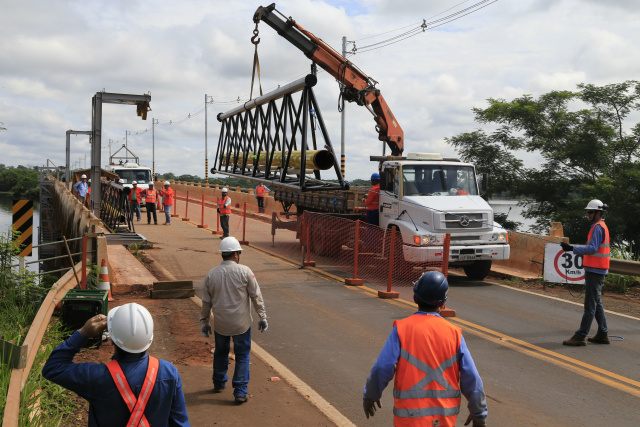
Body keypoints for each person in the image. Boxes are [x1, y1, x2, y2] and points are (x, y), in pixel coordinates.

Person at [363, 271, 487, 427]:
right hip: (444, 421)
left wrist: (371, 395)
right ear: (443, 304)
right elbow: (472, 378)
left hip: (408, 420)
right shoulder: (455, 334)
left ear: (415, 298)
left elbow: (382, 367)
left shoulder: (402, 330)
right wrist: (478, 413)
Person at [42, 303, 190, 426]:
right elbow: (180, 423)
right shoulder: (169, 372)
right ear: (149, 338)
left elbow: (53, 367)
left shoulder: (96, 377)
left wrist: (83, 333)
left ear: (111, 339)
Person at [199, 237, 268, 404]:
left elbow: (206, 301)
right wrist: (262, 316)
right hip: (241, 324)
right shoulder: (245, 271)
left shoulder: (211, 274)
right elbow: (256, 296)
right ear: (236, 254)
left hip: (221, 324)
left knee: (221, 353)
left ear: (223, 254)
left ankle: (218, 382)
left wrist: (205, 321)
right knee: (242, 355)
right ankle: (240, 391)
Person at [561, 199, 611, 346]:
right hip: (596, 269)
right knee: (597, 302)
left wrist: (572, 249)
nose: (588, 214)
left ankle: (581, 335)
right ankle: (602, 333)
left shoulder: (597, 227)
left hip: (596, 271)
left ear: (598, 213)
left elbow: (592, 248)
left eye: (590, 212)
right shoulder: (600, 226)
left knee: (590, 304)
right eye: (587, 212)